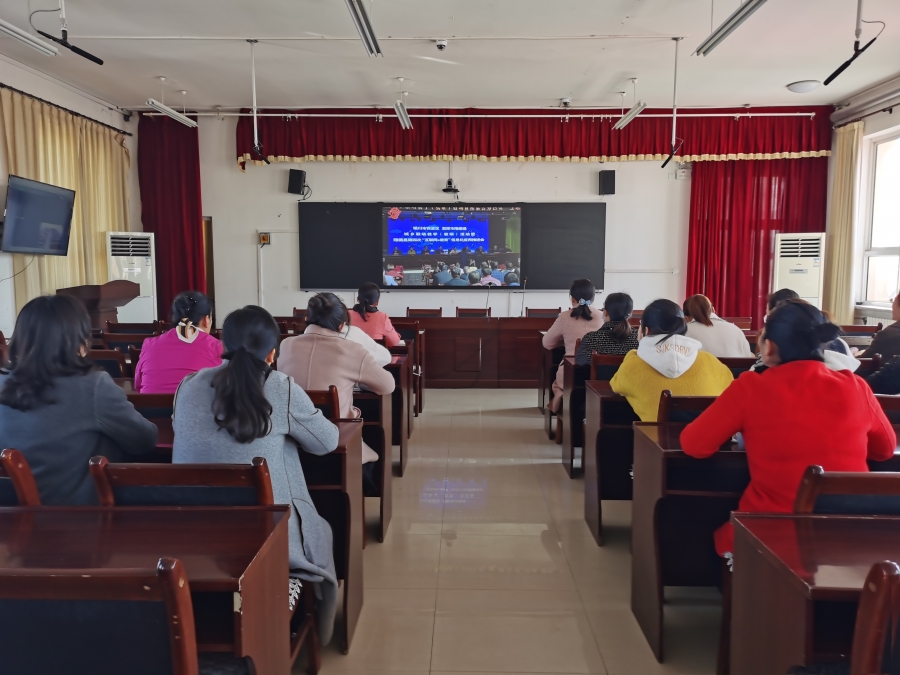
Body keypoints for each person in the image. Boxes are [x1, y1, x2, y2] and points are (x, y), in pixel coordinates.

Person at [172, 305, 341, 644]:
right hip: (264, 540)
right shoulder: (280, 387)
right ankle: (314, 628)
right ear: (272, 352)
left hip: (192, 534)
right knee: (321, 527)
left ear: (222, 344)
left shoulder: (188, 385)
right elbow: (327, 442)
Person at [680, 299, 896, 560]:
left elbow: (694, 444)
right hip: (848, 538)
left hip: (769, 535)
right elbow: (885, 450)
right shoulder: (855, 386)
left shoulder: (751, 387)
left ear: (769, 347)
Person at [0, 295, 157, 505]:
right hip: (80, 515)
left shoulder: (2, 382)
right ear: (78, 337)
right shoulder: (93, 385)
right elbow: (145, 441)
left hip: (13, 516)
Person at [279, 293, 395, 465]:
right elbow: (388, 386)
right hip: (337, 436)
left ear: (306, 319)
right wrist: (358, 379)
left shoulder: (286, 345)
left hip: (291, 437)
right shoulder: (352, 350)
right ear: (342, 326)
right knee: (374, 452)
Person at [610, 299, 733, 422]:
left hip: (659, 435)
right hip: (710, 433)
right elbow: (730, 388)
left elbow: (616, 385)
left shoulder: (633, 365)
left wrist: (634, 353)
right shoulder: (710, 361)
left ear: (646, 330)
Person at [134, 291, 222, 393]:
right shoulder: (218, 347)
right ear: (206, 320)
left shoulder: (149, 344)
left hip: (150, 404)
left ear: (174, 317)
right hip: (193, 403)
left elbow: (138, 385)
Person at [542, 279, 604, 412]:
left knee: (558, 377)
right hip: (597, 375)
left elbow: (547, 343)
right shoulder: (602, 317)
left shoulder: (564, 317)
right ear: (593, 299)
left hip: (571, 375)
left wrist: (565, 340)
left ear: (572, 299)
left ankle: (562, 406)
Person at [575, 292, 640, 365]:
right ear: (630, 314)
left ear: (605, 312)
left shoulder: (591, 339)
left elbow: (580, 363)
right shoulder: (639, 340)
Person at [683, 294, 754, 358]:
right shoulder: (736, 329)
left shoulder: (685, 332)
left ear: (686, 318)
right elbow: (747, 357)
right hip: (733, 369)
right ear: (713, 310)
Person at [350, 282, 402, 348]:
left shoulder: (347, 314)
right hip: (373, 354)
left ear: (357, 299)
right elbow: (394, 342)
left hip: (351, 354)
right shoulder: (382, 317)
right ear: (377, 302)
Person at [861, 292, 900, 362]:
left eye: (894, 302)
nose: (892, 306)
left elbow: (861, 362)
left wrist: (852, 353)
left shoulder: (886, 334)